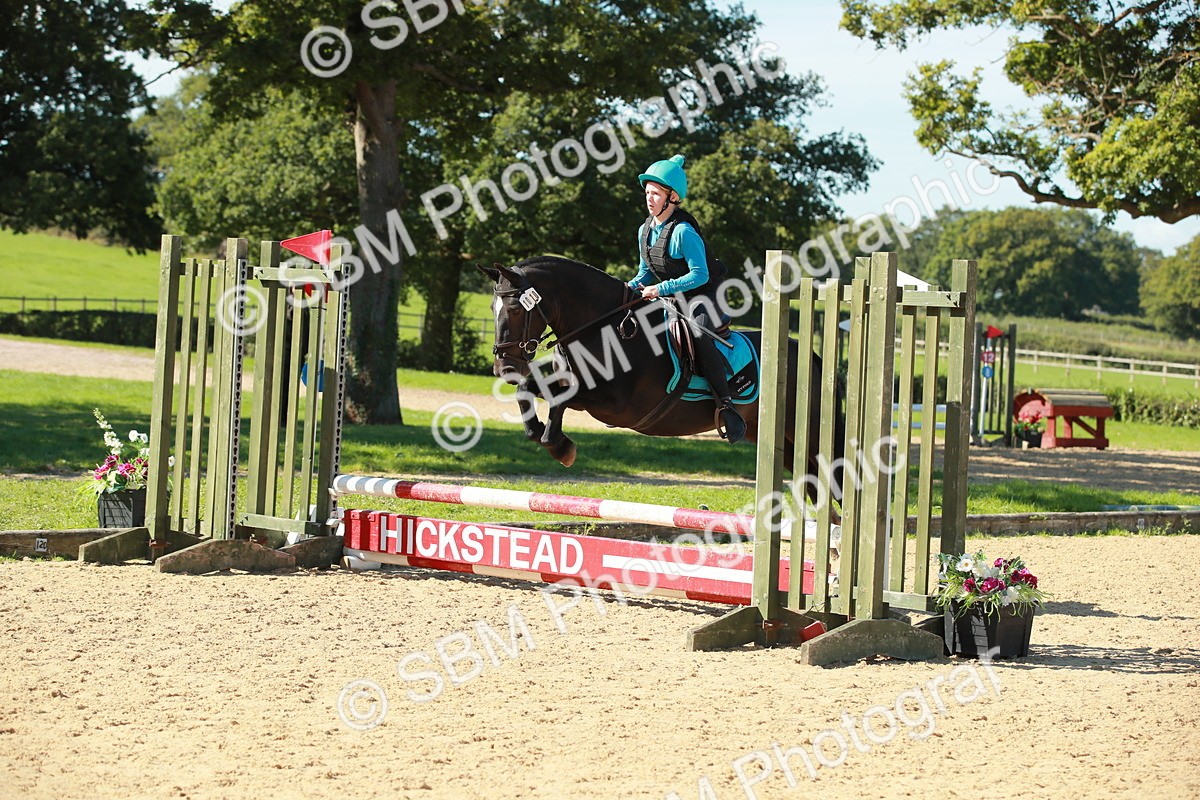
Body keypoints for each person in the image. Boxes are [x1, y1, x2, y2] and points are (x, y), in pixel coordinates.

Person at [627, 154, 746, 444]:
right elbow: (644, 273)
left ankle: (727, 407)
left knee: (698, 332)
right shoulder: (645, 231)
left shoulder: (683, 232)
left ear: (673, 197)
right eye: (647, 193)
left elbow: (700, 275)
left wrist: (661, 289)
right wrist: (625, 290)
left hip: (705, 297)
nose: (650, 199)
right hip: (675, 298)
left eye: (656, 193)